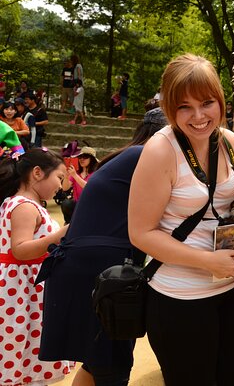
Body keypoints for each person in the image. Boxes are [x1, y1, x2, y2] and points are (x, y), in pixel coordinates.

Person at [128, 54, 234, 385]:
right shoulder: (161, 150)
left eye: (207, 103)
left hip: (233, 290)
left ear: (220, 101)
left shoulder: (230, 142)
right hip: (180, 299)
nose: (199, 116)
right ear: (169, 109)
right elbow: (141, 233)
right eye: (184, 107)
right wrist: (207, 261)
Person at [38, 108, 168, 386]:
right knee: (112, 367)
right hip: (103, 272)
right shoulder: (144, 157)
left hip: (86, 266)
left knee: (97, 363)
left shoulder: (126, 155)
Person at [0, 148, 73, 384]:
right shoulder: (24, 206)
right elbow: (20, 249)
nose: (60, 186)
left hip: (23, 290)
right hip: (21, 292)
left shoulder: (22, 203)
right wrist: (60, 236)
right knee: (24, 343)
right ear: (38, 173)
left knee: (23, 345)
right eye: (59, 178)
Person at [60, 146, 98, 224]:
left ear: (92, 159)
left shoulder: (96, 173)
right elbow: (65, 188)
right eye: (80, 157)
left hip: (91, 205)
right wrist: (66, 177)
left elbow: (89, 187)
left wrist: (74, 176)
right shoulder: (76, 173)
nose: (82, 159)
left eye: (85, 157)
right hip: (78, 203)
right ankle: (69, 225)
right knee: (66, 203)